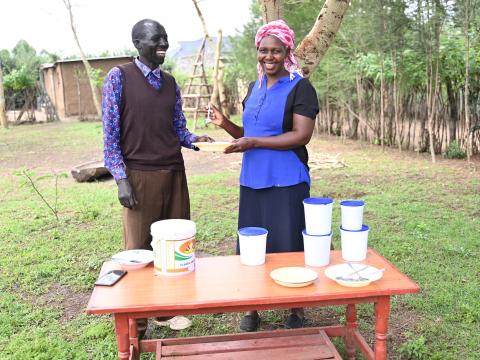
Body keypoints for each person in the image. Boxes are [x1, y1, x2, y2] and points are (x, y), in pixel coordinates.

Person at [207, 20, 319, 332]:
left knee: (289, 242)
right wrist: (225, 124)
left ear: (287, 52)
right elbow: (249, 134)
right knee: (253, 244)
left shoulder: (300, 87)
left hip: (288, 180)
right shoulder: (254, 88)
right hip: (252, 178)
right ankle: (252, 305)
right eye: (263, 50)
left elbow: (300, 136)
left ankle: (295, 307)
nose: (268, 56)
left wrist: (253, 142)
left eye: (276, 51)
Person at [102, 19, 212, 335]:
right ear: (138, 43)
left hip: (174, 172)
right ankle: (138, 319)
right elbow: (110, 135)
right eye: (155, 38)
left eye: (165, 38)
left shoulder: (170, 82)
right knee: (138, 250)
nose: (163, 43)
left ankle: (165, 311)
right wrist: (121, 179)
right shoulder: (118, 78)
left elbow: (177, 127)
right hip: (139, 176)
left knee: (174, 246)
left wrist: (193, 139)